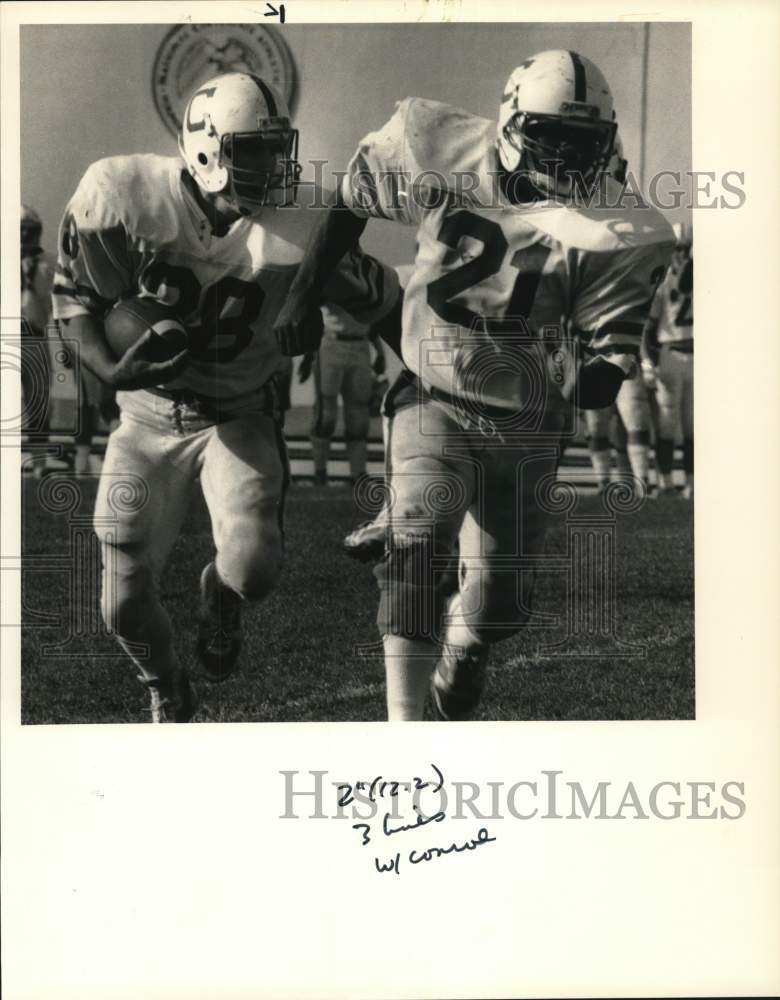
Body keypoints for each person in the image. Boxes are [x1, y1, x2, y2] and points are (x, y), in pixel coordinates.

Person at [275, 49, 674, 721]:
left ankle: (466, 651)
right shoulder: (438, 145)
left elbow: (601, 380)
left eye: (583, 142)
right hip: (435, 389)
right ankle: (407, 735)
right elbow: (350, 202)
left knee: (497, 609)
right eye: (551, 137)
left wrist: (586, 376)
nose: (566, 157)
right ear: (512, 125)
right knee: (420, 536)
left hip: (528, 420)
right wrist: (301, 295)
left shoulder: (622, 228)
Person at [52, 72, 399, 722]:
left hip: (240, 413)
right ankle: (166, 685)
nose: (272, 164)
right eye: (253, 149)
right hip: (149, 415)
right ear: (207, 149)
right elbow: (77, 300)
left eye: (276, 147)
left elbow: (384, 301)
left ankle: (220, 595)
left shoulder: (303, 218)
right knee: (120, 602)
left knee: (253, 570)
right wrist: (110, 368)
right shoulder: (122, 196)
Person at [298, 302, 386, 485]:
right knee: (326, 416)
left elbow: (372, 316)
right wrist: (309, 352)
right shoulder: (328, 275)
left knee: (358, 416)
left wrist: (380, 351)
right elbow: (311, 308)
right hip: (331, 343)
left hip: (360, 344)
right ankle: (320, 473)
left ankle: (358, 474)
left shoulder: (370, 274)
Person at [643, 223, 693, 498]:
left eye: (685, 249)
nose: (682, 254)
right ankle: (665, 482)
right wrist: (647, 360)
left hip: (692, 356)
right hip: (671, 353)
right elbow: (647, 328)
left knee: (690, 425)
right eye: (679, 249)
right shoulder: (663, 280)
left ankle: (690, 483)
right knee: (667, 424)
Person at [20, 204, 55, 479]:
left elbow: (55, 307)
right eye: (20, 229)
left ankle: (39, 463)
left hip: (34, 337)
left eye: (29, 230)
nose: (24, 235)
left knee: (39, 402)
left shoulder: (47, 266)